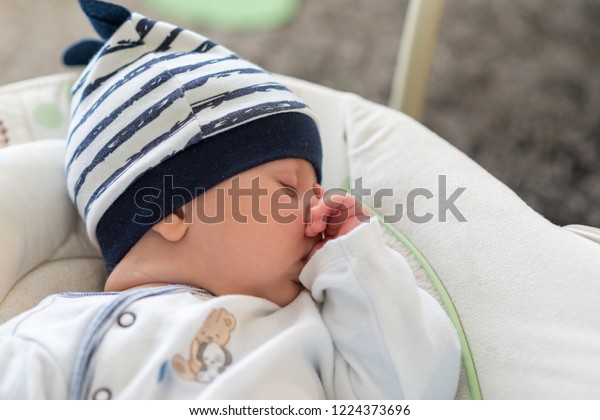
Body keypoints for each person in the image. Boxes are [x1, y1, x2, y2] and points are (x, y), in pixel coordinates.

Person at [0, 0, 460, 399]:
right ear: (173, 208)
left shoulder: (313, 329)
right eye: (289, 189)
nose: (318, 209)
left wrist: (359, 261)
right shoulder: (50, 333)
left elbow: (414, 390)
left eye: (317, 190)